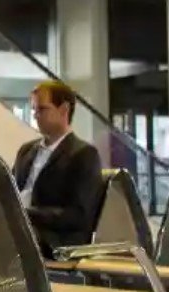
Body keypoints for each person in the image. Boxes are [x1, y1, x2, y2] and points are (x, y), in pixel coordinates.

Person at [15, 80, 103, 257]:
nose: (36, 116)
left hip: (54, 239)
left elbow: (78, 215)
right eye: (34, 110)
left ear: (64, 110)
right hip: (22, 227)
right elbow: (10, 190)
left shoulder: (84, 154)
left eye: (42, 109)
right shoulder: (26, 151)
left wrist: (26, 214)